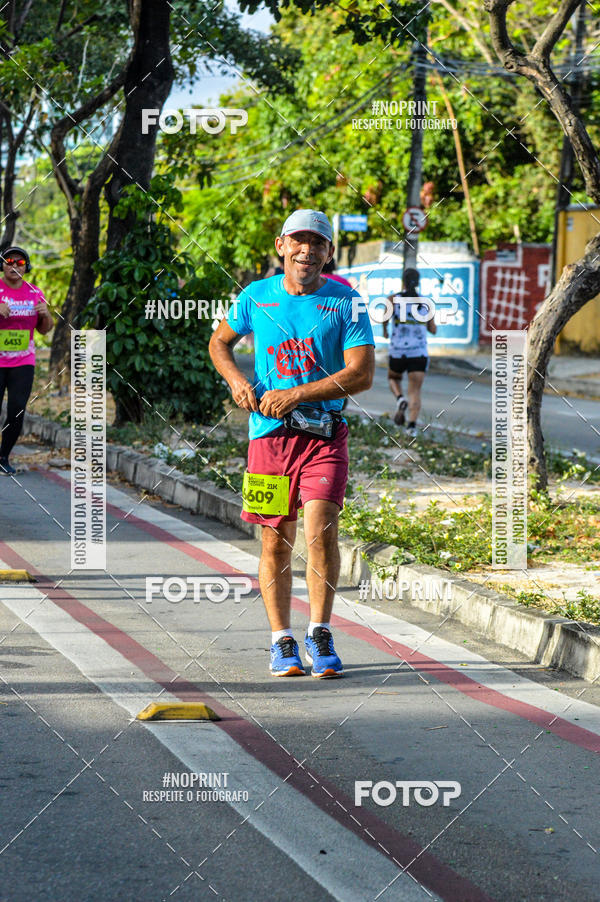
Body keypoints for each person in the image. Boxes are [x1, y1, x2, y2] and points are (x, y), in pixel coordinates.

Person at [209, 209, 374, 678]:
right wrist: (238, 382)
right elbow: (220, 343)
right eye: (298, 241)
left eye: (317, 243)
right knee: (274, 540)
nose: (308, 250)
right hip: (268, 440)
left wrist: (297, 394)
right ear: (281, 246)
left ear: (328, 252)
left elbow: (361, 374)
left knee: (321, 530)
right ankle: (281, 640)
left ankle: (319, 633)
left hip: (324, 437)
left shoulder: (347, 302)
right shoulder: (256, 297)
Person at [0, 246, 54, 475]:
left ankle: (3, 457)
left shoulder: (34, 292)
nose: (14, 266)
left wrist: (46, 314)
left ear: (26, 267)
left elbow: (45, 329)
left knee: (17, 409)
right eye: (9, 261)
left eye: (19, 263)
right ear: (2, 266)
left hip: (23, 361)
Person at [383, 268, 436, 436]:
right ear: (418, 282)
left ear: (403, 282)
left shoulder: (393, 299)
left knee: (393, 378)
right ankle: (411, 428)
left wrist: (385, 331)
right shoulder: (426, 303)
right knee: (415, 390)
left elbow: (384, 320)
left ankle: (400, 399)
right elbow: (433, 329)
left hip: (398, 352)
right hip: (419, 353)